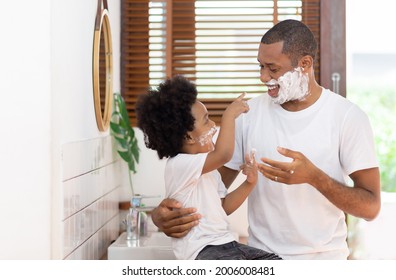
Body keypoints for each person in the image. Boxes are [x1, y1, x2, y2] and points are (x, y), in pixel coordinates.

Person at [150, 19, 381, 260]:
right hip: (261, 261)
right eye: (260, 66)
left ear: (304, 64)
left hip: (324, 263)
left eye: (273, 68)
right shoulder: (248, 115)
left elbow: (370, 208)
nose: (263, 77)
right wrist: (160, 216)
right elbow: (210, 193)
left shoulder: (347, 117)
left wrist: (315, 178)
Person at [136, 75, 282, 260]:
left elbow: (224, 207)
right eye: (206, 121)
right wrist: (229, 116)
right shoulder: (179, 165)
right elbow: (223, 154)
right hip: (203, 251)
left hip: (226, 244)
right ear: (189, 137)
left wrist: (249, 183)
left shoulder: (208, 170)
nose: (213, 125)